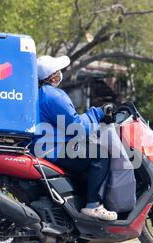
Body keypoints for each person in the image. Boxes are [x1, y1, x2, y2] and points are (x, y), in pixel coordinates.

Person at [35, 55, 117, 221]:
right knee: (100, 154)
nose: (60, 74)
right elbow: (77, 127)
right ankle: (93, 205)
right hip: (53, 150)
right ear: (52, 76)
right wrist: (98, 113)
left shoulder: (38, 94)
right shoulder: (53, 96)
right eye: (58, 71)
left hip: (42, 148)